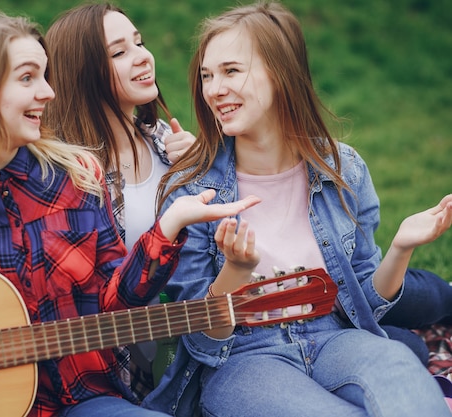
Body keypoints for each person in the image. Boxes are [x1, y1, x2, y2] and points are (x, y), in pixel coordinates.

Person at [0, 11, 261, 417]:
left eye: (45, 76)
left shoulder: (75, 177)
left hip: (80, 399)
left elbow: (112, 303)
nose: (48, 92)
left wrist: (168, 226)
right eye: (28, 78)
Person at [141, 2, 452, 416]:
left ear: (279, 72)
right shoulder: (190, 190)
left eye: (231, 71)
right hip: (245, 358)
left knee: (407, 382)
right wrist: (235, 271)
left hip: (334, 337)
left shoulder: (342, 168)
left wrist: (399, 249)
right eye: (207, 76)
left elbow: (366, 300)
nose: (213, 89)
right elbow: (202, 340)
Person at [44, 3, 196, 398]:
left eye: (139, 42)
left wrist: (201, 168)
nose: (143, 56)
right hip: (117, 365)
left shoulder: (163, 139)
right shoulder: (69, 176)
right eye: (119, 52)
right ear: (83, 72)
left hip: (192, 333)